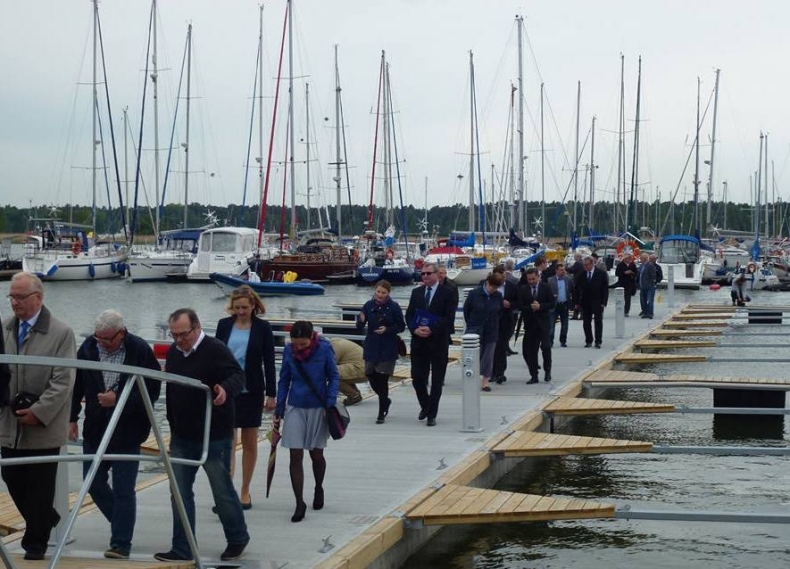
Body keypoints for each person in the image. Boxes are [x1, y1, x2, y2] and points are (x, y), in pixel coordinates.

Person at [155, 308, 248, 563]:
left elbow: (238, 375)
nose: (178, 340)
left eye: (183, 334)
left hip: (213, 433)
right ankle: (182, 546)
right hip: (182, 434)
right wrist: (172, 423)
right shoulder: (174, 353)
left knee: (221, 489)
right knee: (179, 492)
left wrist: (224, 390)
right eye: (174, 335)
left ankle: (237, 537)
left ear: (196, 328)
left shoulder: (215, 349)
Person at [69, 310, 161, 560]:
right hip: (96, 428)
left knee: (123, 488)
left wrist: (118, 399)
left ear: (122, 332)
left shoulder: (140, 350)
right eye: (99, 338)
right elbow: (76, 383)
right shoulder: (89, 347)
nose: (103, 343)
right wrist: (71, 417)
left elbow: (151, 390)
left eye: (108, 339)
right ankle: (122, 520)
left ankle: (121, 543)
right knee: (93, 482)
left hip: (128, 430)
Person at [1, 272, 76, 560]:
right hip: (10, 423)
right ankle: (47, 520)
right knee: (11, 475)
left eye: (20, 297)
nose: (14, 302)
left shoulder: (61, 332)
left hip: (44, 426)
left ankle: (35, 545)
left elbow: (63, 380)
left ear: (38, 298)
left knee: (41, 486)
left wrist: (39, 411)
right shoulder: (4, 329)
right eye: (11, 296)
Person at [215, 286, 276, 511]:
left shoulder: (263, 328)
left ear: (253, 307)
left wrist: (272, 394)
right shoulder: (224, 325)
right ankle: (226, 491)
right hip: (227, 388)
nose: (240, 311)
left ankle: (245, 490)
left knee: (249, 441)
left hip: (251, 389)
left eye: (244, 307)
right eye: (237, 307)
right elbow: (214, 356)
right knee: (227, 442)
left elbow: (269, 362)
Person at [275, 321, 340, 523]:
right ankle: (299, 502)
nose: (299, 348)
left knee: (316, 454)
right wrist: (279, 406)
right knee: (295, 454)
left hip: (319, 406)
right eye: (296, 344)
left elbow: (334, 376)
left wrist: (330, 402)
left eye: (302, 344)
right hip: (295, 405)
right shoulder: (288, 351)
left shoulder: (324, 348)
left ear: (311, 337)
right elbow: (284, 379)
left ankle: (318, 487)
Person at [405, 262, 457, 426]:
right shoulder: (416, 292)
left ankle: (432, 414)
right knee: (417, 377)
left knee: (436, 379)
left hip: (438, 342)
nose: (425, 276)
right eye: (423, 274)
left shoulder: (448, 293)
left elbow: (449, 318)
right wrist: (415, 329)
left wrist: (431, 328)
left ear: (436, 274)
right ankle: (426, 405)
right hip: (418, 341)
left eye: (428, 273)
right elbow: (409, 316)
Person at [356, 280, 405, 423]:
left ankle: (381, 412)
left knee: (382, 379)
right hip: (372, 345)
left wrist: (387, 329)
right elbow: (359, 326)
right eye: (378, 292)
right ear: (375, 291)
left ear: (388, 293)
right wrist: (361, 320)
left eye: (383, 293)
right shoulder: (368, 305)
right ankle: (385, 400)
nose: (380, 295)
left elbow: (401, 326)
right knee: (370, 375)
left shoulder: (394, 307)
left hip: (387, 346)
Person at [463, 272, 504, 391]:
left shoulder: (498, 296)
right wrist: (473, 323)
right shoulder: (474, 294)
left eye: (496, 288)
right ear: (487, 283)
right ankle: (471, 378)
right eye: (492, 287)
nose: (494, 290)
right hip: (474, 327)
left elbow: (500, 311)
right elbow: (467, 311)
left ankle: (485, 381)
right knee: (472, 355)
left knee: (488, 356)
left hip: (491, 328)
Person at [520, 267, 555, 383]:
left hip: (543, 324)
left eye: (533, 279)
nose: (531, 281)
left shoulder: (545, 287)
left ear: (538, 277)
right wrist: (530, 307)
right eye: (529, 279)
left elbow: (552, 304)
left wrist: (541, 306)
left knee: (546, 348)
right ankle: (534, 375)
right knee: (531, 351)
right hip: (530, 325)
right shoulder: (524, 289)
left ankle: (548, 371)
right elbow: (521, 306)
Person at [492, 265, 519, 383]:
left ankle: (500, 372)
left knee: (501, 347)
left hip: (506, 320)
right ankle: (491, 372)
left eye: (503, 277)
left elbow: (518, 302)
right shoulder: (486, 285)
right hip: (491, 320)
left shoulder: (512, 286)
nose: (502, 280)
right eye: (500, 277)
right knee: (490, 347)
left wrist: (510, 304)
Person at [574, 256, 609, 348]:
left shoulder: (601, 274)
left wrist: (604, 302)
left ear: (592, 264)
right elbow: (576, 288)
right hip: (585, 302)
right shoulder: (581, 274)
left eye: (587, 265)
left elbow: (605, 289)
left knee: (598, 322)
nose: (585, 267)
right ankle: (588, 340)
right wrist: (577, 302)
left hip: (598, 301)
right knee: (586, 322)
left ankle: (598, 341)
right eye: (584, 265)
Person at [328, 337, 366, 407]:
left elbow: (329, 365)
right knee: (342, 372)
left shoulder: (334, 346)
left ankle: (353, 395)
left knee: (332, 374)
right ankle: (355, 393)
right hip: (365, 369)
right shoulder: (335, 342)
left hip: (361, 369)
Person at [548, 263, 574, 348]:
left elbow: (572, 291)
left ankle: (563, 341)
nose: (564, 271)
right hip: (554, 305)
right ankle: (550, 341)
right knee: (551, 325)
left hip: (564, 304)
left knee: (565, 325)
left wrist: (572, 303)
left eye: (564, 270)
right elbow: (546, 293)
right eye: (562, 270)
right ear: (556, 271)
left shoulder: (568, 280)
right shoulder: (550, 280)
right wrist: (551, 296)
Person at [436, 263, 459, 341]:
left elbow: (454, 304)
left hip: (446, 319)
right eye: (438, 273)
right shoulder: (431, 285)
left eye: (441, 273)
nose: (440, 275)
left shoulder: (452, 286)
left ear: (446, 273)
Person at [638, 252, 657, 319]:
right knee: (643, 300)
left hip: (649, 286)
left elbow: (653, 276)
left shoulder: (650, 265)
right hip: (642, 286)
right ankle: (645, 312)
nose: (640, 259)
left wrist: (650, 283)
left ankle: (650, 313)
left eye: (641, 258)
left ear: (644, 258)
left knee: (649, 300)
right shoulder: (641, 266)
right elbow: (639, 275)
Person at [568, 252, 585, 320]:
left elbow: (572, 270)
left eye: (575, 257)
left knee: (577, 300)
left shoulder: (577, 263)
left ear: (578, 257)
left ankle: (578, 314)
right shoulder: (583, 263)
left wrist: (565, 268)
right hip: (582, 285)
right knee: (579, 300)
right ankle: (579, 314)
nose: (574, 258)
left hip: (577, 285)